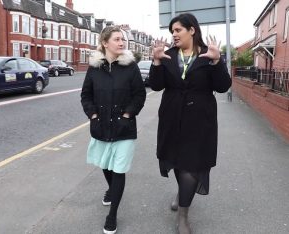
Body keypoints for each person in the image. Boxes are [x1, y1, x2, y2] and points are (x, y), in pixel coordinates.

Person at [149, 13, 231, 234]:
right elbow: (156, 86)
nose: (174, 35)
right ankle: (181, 193)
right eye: (172, 32)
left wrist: (217, 61)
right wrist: (156, 62)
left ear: (192, 30)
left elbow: (223, 87)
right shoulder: (168, 55)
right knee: (177, 161)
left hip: (199, 120)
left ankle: (183, 215)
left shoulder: (208, 53)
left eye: (178, 30)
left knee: (192, 165)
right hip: (172, 117)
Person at [81, 26, 146, 234]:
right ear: (105, 43)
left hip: (124, 128)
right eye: (117, 39)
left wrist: (127, 115)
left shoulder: (131, 67)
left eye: (123, 39)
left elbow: (139, 95)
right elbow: (86, 95)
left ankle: (113, 215)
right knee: (105, 165)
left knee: (119, 169)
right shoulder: (94, 68)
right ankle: (110, 189)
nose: (121, 43)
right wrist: (92, 115)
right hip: (100, 126)